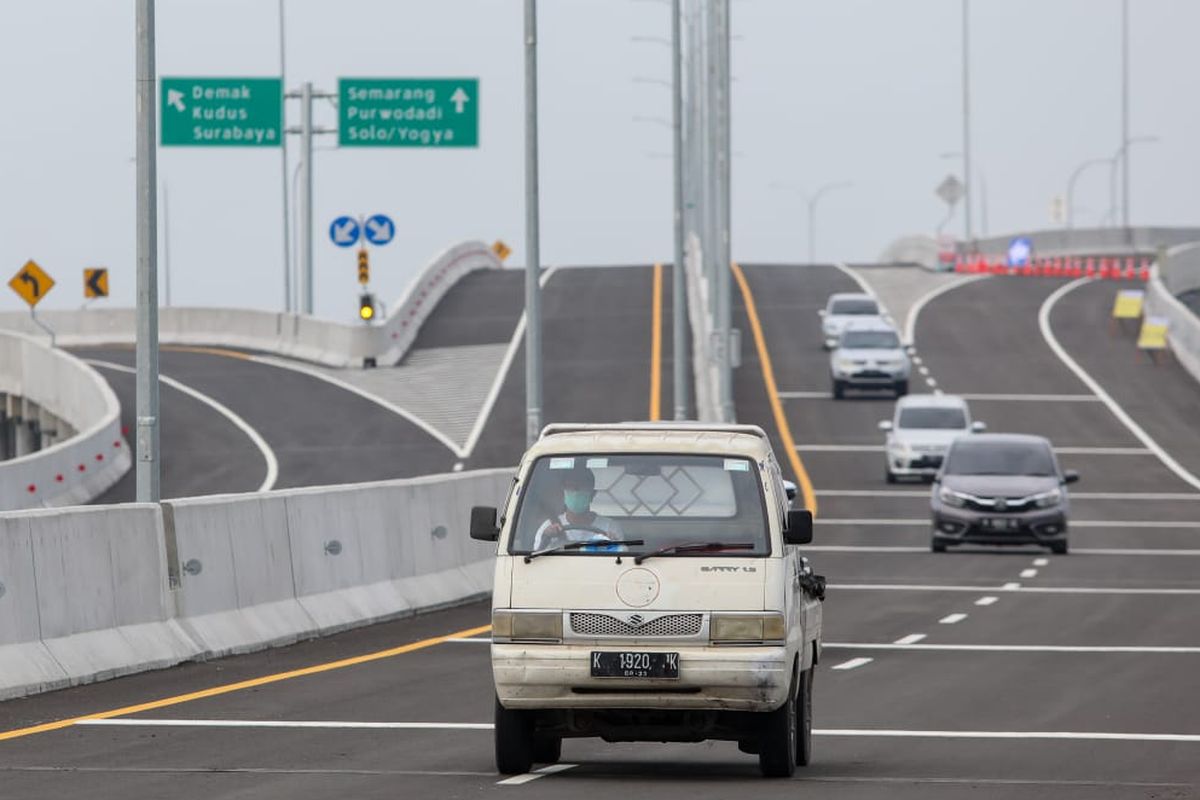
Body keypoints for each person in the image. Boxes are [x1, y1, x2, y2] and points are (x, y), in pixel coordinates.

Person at [533, 466, 624, 551]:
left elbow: (621, 562)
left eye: (582, 488)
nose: (576, 492)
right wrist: (546, 538)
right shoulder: (548, 527)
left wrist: (614, 546)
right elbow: (536, 561)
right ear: (563, 493)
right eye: (571, 487)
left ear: (593, 494)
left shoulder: (610, 527)